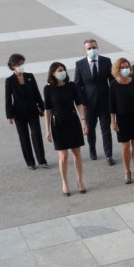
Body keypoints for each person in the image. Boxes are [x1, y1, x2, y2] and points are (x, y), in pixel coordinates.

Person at [43, 62, 87, 196]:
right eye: (59, 70)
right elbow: (47, 110)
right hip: (58, 124)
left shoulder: (72, 86)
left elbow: (79, 104)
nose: (63, 72)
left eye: (63, 70)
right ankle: (65, 182)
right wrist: (47, 129)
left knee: (77, 153)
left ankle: (80, 180)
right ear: (53, 74)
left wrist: (84, 121)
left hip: (73, 122)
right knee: (63, 156)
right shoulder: (48, 89)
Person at [109, 58, 134, 184]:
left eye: (127, 66)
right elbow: (112, 105)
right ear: (117, 69)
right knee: (125, 145)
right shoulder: (114, 84)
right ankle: (127, 171)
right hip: (122, 118)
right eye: (122, 67)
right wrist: (113, 121)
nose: (125, 69)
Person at [74, 39, 114, 165]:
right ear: (85, 50)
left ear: (97, 47)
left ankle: (109, 155)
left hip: (104, 102)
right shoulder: (80, 64)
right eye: (89, 48)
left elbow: (111, 81)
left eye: (94, 47)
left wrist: (112, 99)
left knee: (106, 129)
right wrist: (82, 102)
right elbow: (77, 85)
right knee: (91, 129)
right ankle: (92, 150)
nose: (92, 50)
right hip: (89, 104)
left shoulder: (106, 61)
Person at [4, 53, 48, 170]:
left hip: (32, 110)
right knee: (24, 137)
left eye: (22, 63)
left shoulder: (30, 76)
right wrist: (9, 116)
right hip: (18, 113)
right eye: (18, 64)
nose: (21, 66)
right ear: (13, 66)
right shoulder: (9, 81)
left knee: (36, 134)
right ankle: (30, 162)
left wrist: (43, 108)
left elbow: (37, 93)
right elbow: (8, 99)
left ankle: (42, 160)